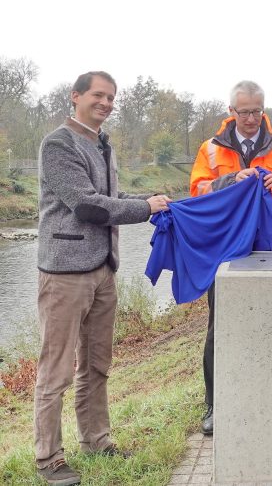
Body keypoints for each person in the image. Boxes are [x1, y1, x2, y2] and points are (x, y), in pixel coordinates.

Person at [34, 71, 171, 486]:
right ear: (75, 96)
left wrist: (156, 201)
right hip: (64, 274)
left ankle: (96, 440)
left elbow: (112, 198)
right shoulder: (58, 144)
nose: (106, 103)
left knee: (97, 364)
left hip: (102, 270)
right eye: (98, 95)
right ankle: (48, 458)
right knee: (56, 369)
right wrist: (145, 209)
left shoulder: (103, 143)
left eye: (111, 97)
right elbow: (87, 205)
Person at [189, 80, 272, 435]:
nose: (250, 118)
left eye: (257, 111)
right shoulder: (211, 150)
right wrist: (231, 180)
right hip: (226, 255)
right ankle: (216, 404)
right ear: (231, 111)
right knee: (221, 329)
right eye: (244, 112)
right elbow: (197, 192)